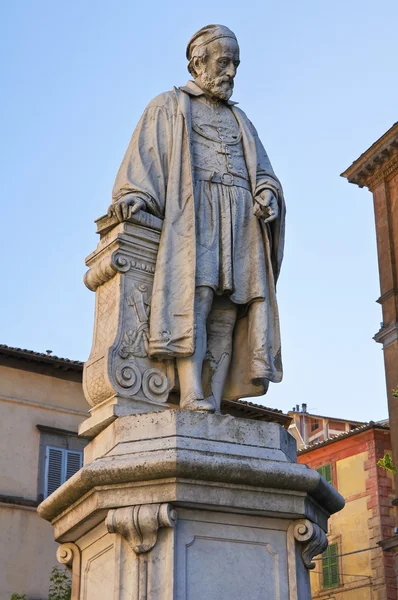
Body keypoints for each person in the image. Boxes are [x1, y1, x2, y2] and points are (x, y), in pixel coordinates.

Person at [110, 24, 285, 412]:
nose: (231, 72)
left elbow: (266, 174)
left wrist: (268, 194)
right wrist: (136, 196)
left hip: (241, 217)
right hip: (195, 215)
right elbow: (145, 160)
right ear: (197, 62)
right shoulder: (168, 105)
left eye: (236, 64)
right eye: (224, 62)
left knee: (229, 310)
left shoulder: (242, 122)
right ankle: (190, 392)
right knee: (197, 298)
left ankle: (213, 398)